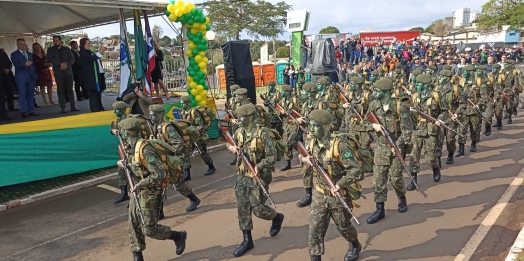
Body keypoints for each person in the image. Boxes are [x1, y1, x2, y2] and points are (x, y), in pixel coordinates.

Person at [116, 118, 187, 261]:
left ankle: (177, 236)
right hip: (138, 191)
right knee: (134, 224)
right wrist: (123, 164)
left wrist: (141, 183)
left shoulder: (145, 149)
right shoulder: (130, 147)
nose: (120, 134)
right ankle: (138, 255)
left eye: (121, 131)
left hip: (150, 193)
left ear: (127, 132)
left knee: (149, 229)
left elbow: (160, 174)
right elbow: (135, 165)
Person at [302, 109, 363, 261]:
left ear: (327, 126)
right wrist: (304, 160)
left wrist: (341, 184)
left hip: (338, 195)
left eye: (315, 126)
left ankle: (355, 244)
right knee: (314, 230)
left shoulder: (340, 145)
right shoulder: (310, 141)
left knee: (344, 226)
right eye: (310, 125)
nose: (311, 129)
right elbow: (303, 154)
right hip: (320, 193)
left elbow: (356, 170)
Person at [226, 104, 285, 257]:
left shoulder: (262, 134)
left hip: (259, 175)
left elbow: (272, 157)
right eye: (238, 117)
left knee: (258, 208)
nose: (238, 120)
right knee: (243, 208)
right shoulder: (239, 132)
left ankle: (276, 217)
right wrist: (231, 148)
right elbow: (229, 143)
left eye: (242, 117)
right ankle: (247, 240)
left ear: (250, 117)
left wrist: (259, 166)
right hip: (242, 175)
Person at [366, 78, 412, 224]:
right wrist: (373, 127)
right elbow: (365, 122)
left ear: (386, 92)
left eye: (377, 91)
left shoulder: (400, 107)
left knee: (395, 178)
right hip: (380, 147)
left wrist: (397, 145)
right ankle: (380, 210)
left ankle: (402, 197)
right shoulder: (373, 105)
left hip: (396, 148)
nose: (375, 93)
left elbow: (407, 130)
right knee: (378, 180)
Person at [149, 104, 201, 213]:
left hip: (173, 160)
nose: (151, 118)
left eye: (153, 115)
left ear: (160, 115)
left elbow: (179, 144)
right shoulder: (155, 127)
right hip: (163, 160)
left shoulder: (167, 128)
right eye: (150, 115)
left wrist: (167, 153)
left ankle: (194, 199)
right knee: (160, 184)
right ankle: (160, 211)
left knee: (178, 185)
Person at [406, 74, 442, 191]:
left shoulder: (435, 96)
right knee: (414, 156)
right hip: (417, 128)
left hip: (430, 128)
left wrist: (439, 119)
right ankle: (413, 179)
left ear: (425, 84)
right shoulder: (415, 96)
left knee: (431, 156)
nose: (417, 85)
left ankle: (435, 168)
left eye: (419, 83)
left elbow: (444, 111)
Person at [179, 95, 216, 180]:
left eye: (183, 104)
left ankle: (211, 166)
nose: (181, 106)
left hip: (197, 137)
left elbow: (201, 126)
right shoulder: (182, 113)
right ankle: (187, 174)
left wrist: (192, 130)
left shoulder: (194, 113)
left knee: (202, 153)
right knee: (186, 154)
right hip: (189, 138)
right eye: (181, 104)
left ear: (188, 103)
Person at [47, 35, 79, 113]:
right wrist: (60, 64)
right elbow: (50, 59)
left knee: (70, 89)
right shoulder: (50, 50)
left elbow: (72, 59)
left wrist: (66, 64)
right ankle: (63, 107)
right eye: (54, 41)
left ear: (60, 41)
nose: (55, 42)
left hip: (68, 72)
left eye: (57, 40)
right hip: (58, 72)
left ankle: (73, 106)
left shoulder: (67, 49)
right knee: (60, 90)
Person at [11, 38, 38, 118]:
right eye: (21, 44)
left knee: (30, 94)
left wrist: (34, 75)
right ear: (17, 45)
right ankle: (23, 111)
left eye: (24, 44)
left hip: (31, 77)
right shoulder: (14, 54)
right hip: (21, 77)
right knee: (22, 94)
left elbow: (33, 65)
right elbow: (16, 65)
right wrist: (24, 65)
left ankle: (31, 110)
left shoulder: (29, 54)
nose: (23, 46)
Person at [275, 85, 301, 171]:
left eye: (283, 91)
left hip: (294, 124)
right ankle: (288, 162)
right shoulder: (283, 101)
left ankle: (304, 154)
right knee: (286, 143)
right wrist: (281, 112)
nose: (281, 92)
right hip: (286, 124)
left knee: (292, 141)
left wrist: (299, 119)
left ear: (288, 92)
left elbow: (302, 111)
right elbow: (277, 110)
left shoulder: (295, 100)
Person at [78, 38, 106, 112]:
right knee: (93, 92)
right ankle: (95, 108)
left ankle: (99, 106)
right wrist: (100, 52)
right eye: (88, 43)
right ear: (83, 44)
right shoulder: (83, 53)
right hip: (91, 76)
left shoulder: (89, 51)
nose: (89, 44)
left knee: (98, 91)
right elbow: (91, 59)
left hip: (96, 74)